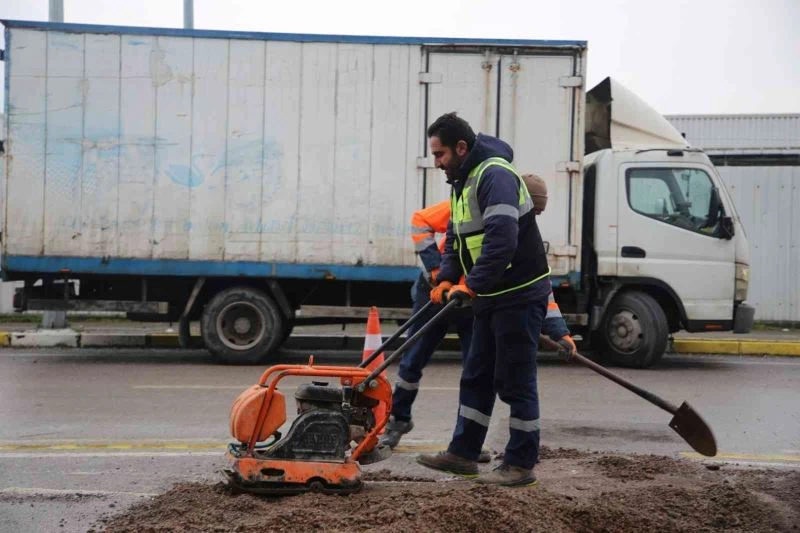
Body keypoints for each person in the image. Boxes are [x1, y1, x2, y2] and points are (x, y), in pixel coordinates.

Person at [381, 176, 576, 451]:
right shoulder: (473, 208)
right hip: (438, 293)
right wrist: (438, 273)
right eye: (533, 212)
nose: (531, 219)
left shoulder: (520, 238)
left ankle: (468, 441)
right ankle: (398, 420)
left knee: (475, 372)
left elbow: (540, 289)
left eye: (536, 215)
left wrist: (560, 332)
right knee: (413, 360)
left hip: (473, 302)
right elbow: (419, 221)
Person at [416, 112, 553, 487]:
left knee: (515, 381)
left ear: (461, 148)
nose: (437, 162)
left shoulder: (495, 176)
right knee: (476, 375)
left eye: (440, 154)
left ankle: (520, 464)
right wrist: (445, 278)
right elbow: (458, 240)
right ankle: (463, 453)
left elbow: (502, 240)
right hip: (491, 296)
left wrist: (470, 284)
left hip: (518, 296)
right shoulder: (461, 181)